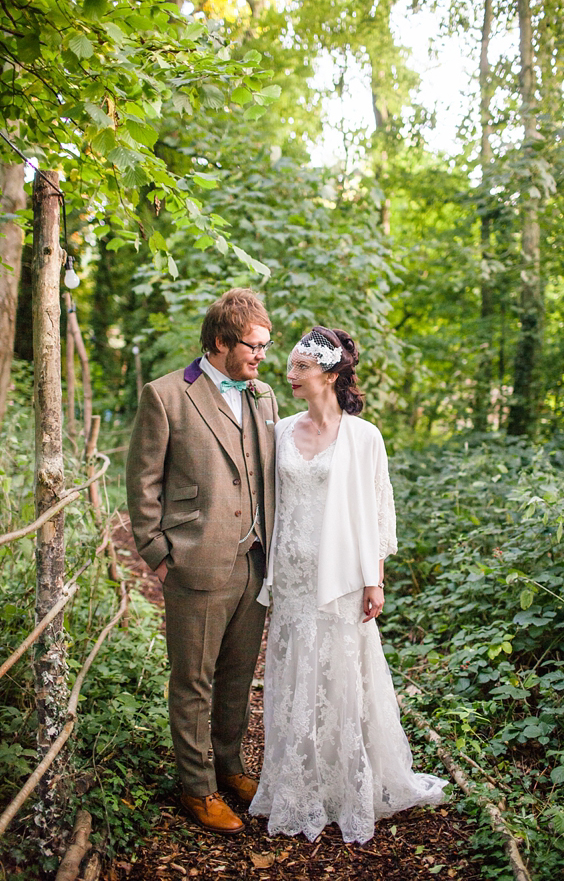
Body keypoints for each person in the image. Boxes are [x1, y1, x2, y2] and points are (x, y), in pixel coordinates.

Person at [250, 326, 447, 844]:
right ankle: (295, 784)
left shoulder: (365, 437)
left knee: (341, 675)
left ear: (331, 375)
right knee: (294, 675)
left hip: (340, 578)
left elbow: (378, 512)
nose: (289, 375)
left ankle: (346, 786)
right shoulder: (281, 430)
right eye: (289, 366)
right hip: (291, 576)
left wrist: (373, 579)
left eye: (300, 368)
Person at [126, 288, 279, 835]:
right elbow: (142, 483)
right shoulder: (166, 396)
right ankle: (197, 788)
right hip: (194, 561)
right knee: (193, 680)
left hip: (254, 561)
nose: (261, 356)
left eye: (265, 346)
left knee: (238, 675)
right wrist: (159, 555)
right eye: (253, 346)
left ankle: (230, 765)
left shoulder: (264, 397)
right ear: (220, 341)